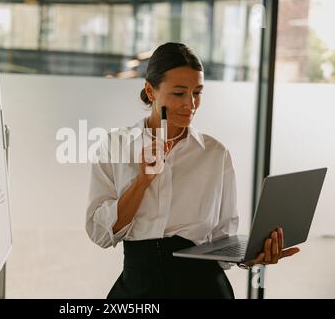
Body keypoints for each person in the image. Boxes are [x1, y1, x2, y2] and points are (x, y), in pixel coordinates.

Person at [85, 42, 300, 299]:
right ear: (150, 91)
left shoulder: (215, 154)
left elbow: (222, 237)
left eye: (197, 92)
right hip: (138, 288)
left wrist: (251, 255)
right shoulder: (115, 146)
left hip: (205, 289)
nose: (191, 104)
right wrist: (142, 181)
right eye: (179, 93)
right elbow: (100, 233)